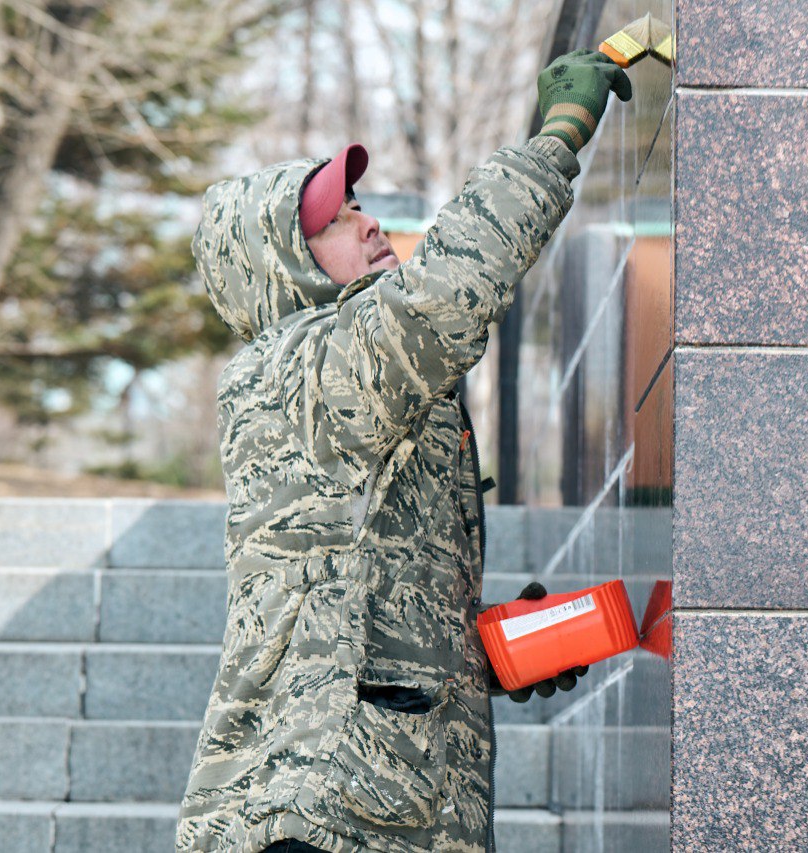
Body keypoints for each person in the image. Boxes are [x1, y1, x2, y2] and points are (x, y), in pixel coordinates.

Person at [176, 50, 631, 853]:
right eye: (333, 221)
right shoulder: (298, 368)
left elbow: (346, 612)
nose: (369, 221)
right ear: (279, 267)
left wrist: (476, 647)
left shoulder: (350, 384)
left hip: (369, 808)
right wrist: (559, 134)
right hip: (315, 814)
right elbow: (442, 298)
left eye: (357, 204)